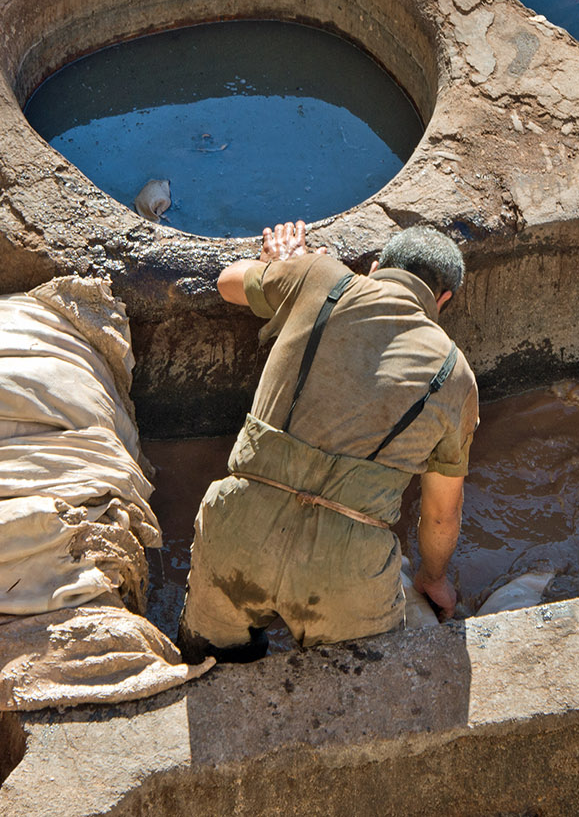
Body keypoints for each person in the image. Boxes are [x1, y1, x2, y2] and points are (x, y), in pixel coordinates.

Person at [177, 220, 478, 661]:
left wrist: (284, 265)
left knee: (206, 668)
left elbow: (228, 282)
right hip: (347, 572)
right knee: (355, 690)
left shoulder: (320, 276)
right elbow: (440, 514)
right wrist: (433, 580)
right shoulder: (456, 375)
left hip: (238, 532)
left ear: (375, 268)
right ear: (443, 300)